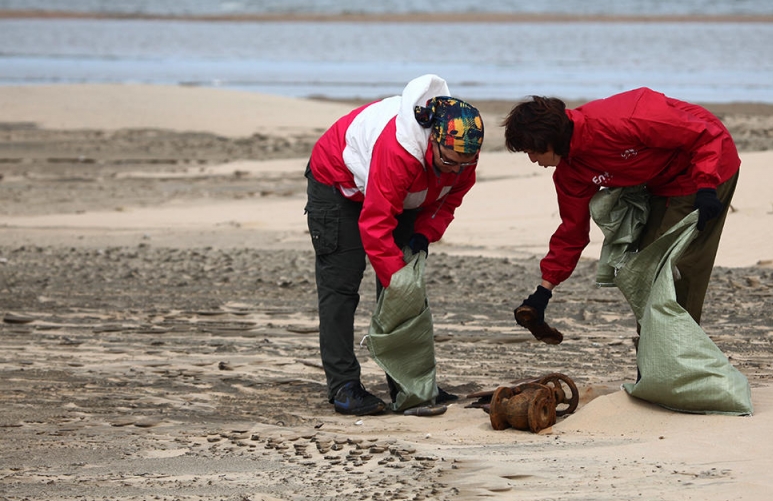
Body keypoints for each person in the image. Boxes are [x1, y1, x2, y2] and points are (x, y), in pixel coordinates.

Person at [305, 74, 484, 416]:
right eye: (448, 161)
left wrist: (425, 234)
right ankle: (343, 385)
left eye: (465, 164)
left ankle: (409, 385)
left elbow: (448, 202)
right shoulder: (399, 151)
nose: (456, 171)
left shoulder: (462, 157)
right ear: (432, 140)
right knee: (341, 287)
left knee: (408, 288)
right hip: (339, 184)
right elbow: (375, 224)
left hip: (404, 197)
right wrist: (394, 278)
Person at [502, 87, 740, 342]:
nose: (532, 159)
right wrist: (543, 292)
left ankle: (679, 360)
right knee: (641, 272)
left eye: (533, 151)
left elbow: (706, 135)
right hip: (661, 182)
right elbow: (572, 233)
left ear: (550, 139)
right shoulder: (570, 172)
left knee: (674, 272)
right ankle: (655, 360)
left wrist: (706, 187)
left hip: (707, 167)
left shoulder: (623, 121)